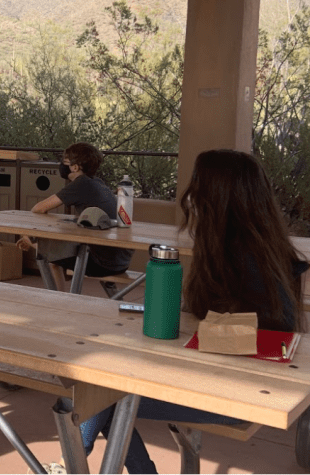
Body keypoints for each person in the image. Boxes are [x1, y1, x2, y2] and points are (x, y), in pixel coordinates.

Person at [75, 149, 308, 474]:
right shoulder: (255, 246)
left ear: (216, 197)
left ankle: (71, 462)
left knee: (103, 396)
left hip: (237, 394)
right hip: (228, 379)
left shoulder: (243, 258)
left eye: (197, 184)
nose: (190, 195)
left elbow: (260, 338)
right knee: (105, 391)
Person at [16, 143, 134, 294]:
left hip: (102, 263)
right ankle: (59, 296)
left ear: (75, 167)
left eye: (64, 161)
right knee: (54, 250)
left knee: (47, 253)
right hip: (121, 261)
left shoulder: (81, 184)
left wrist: (30, 239)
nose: (61, 165)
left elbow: (38, 209)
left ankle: (59, 299)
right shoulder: (97, 183)